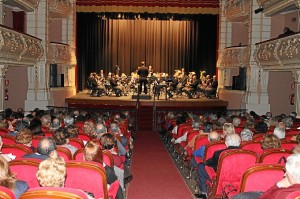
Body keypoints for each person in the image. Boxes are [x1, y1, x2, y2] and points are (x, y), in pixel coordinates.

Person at [195, 133, 241, 198]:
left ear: (226, 143)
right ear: (239, 142)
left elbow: (208, 164)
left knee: (201, 166)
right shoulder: (250, 155)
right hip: (239, 180)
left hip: (221, 180)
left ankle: (203, 193)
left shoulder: (219, 153)